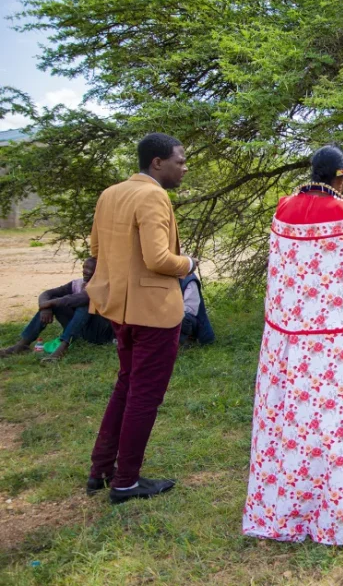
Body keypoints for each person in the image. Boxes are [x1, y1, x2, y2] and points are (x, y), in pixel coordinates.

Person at [243, 145, 343, 546]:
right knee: (329, 424)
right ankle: (332, 514)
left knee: (287, 422)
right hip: (333, 344)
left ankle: (283, 510)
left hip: (286, 340)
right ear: (341, 176)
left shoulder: (283, 209)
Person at [86, 133, 197, 503]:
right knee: (144, 396)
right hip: (153, 313)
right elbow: (159, 260)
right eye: (179, 161)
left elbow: (96, 252)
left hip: (119, 308)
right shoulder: (153, 195)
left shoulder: (110, 194)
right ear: (157, 163)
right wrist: (190, 263)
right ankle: (126, 481)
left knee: (126, 385)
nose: (184, 167)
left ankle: (101, 469)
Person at [1, 256, 114, 363]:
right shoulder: (77, 283)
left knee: (85, 305)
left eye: (90, 269)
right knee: (56, 302)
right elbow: (47, 293)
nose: (85, 271)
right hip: (80, 331)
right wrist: (46, 307)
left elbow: (83, 298)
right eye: (84, 267)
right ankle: (23, 344)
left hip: (100, 333)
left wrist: (49, 303)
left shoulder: (103, 285)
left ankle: (63, 347)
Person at [179, 272, 215, 346]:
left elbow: (190, 309)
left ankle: (188, 341)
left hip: (191, 319)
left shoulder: (188, 279)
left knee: (182, 317)